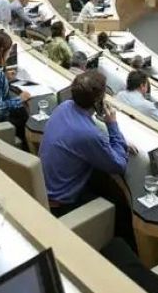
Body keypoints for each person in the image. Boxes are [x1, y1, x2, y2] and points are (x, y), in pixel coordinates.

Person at [39, 70, 136, 217]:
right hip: (61, 206)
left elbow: (86, 132)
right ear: (98, 102)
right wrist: (112, 126)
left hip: (44, 190)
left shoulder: (64, 107)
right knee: (119, 208)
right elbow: (119, 165)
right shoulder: (88, 135)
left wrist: (112, 139)